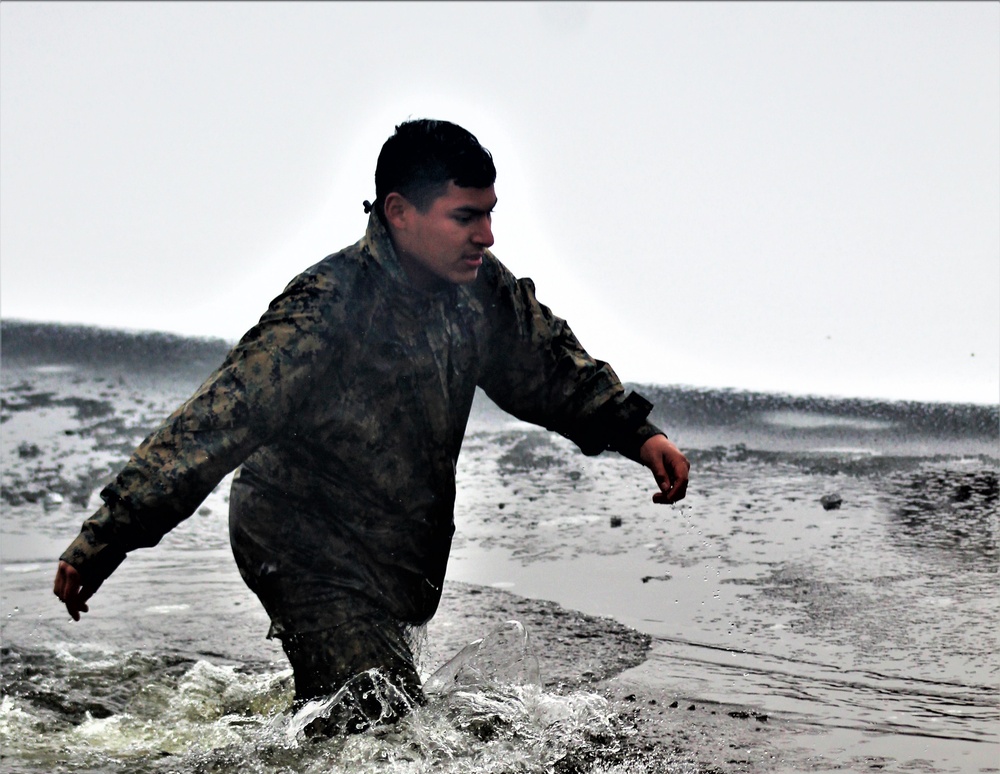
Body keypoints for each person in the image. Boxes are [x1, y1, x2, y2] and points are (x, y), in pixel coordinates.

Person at [53, 119, 690, 731]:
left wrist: (638, 434)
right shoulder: (325, 310)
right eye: (466, 216)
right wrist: (105, 538)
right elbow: (213, 424)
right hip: (301, 543)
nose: (487, 236)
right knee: (383, 729)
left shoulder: (475, 293)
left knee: (383, 724)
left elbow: (547, 365)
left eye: (490, 213)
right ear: (398, 212)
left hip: (391, 548)